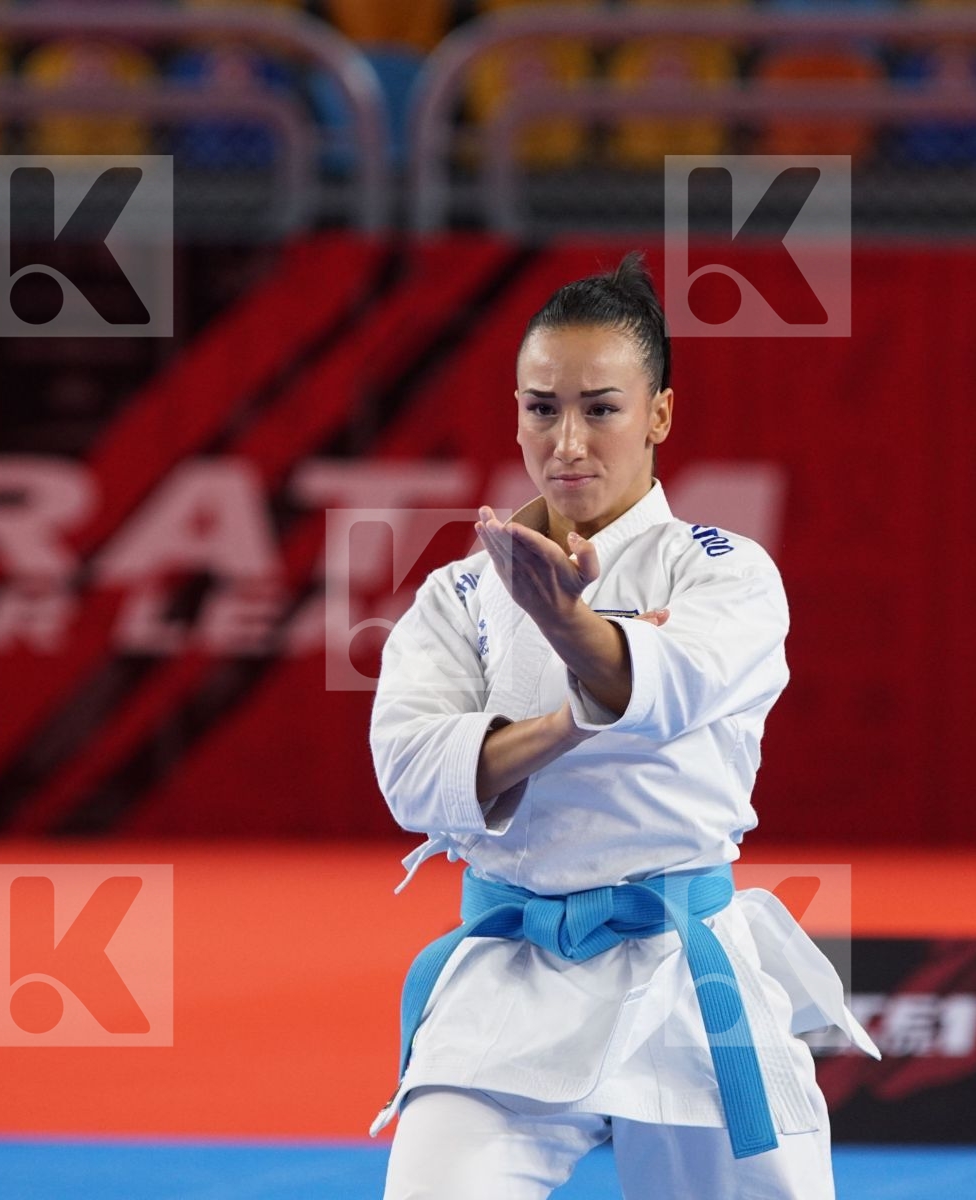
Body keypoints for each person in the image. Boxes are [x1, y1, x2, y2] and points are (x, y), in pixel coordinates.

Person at [367, 250, 880, 1199]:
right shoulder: (463, 594)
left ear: (659, 415)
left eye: (600, 408)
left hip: (683, 971)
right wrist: (576, 715)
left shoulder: (723, 570)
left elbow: (677, 686)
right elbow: (411, 773)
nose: (567, 441)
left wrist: (565, 628)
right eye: (541, 407)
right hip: (509, 971)